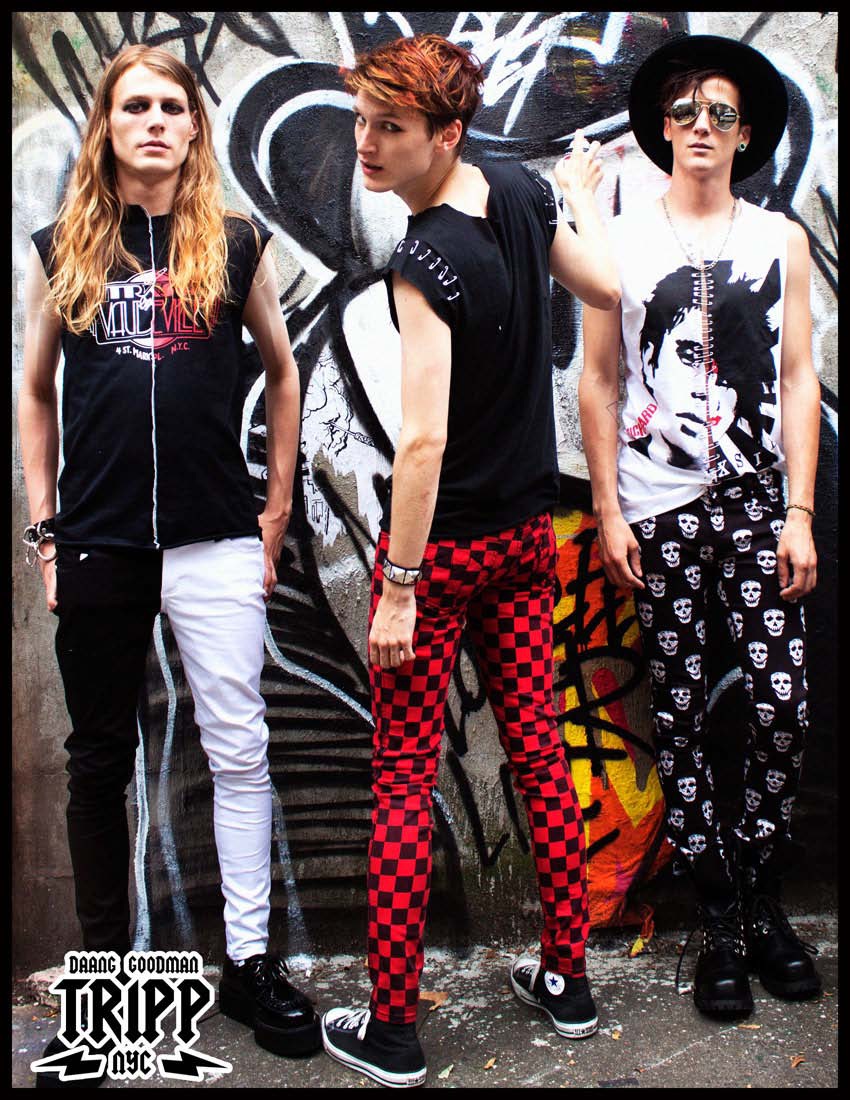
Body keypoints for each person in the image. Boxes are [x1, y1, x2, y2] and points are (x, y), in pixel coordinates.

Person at [320, 33, 620, 1088]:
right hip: (524, 543)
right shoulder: (523, 192)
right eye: (363, 120)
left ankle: (393, 1030)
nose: (366, 143)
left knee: (403, 781)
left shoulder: (422, 262)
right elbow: (605, 284)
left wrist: (399, 588)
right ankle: (568, 978)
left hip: (443, 557)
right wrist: (578, 201)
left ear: (446, 134)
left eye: (390, 127)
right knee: (540, 752)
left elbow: (422, 442)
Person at [19, 45, 320, 1084]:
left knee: (238, 749)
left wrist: (273, 512)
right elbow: (35, 390)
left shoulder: (235, 243)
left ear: (194, 127)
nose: (152, 120)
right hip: (99, 540)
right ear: (106, 126)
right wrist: (46, 529)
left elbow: (283, 372)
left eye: (170, 106)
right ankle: (104, 992)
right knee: (99, 760)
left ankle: (250, 965)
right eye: (133, 106)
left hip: (215, 536)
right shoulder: (64, 246)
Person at [580, 34, 822, 1019]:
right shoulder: (621, 242)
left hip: (759, 502)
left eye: (720, 113)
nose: (701, 128)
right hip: (659, 507)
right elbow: (599, 381)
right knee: (678, 712)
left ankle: (759, 887)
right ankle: (720, 916)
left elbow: (799, 379)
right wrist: (607, 507)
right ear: (662, 129)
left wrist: (799, 510)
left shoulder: (779, 241)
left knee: (780, 703)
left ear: (744, 134)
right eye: (685, 112)